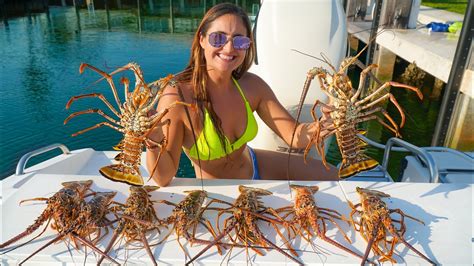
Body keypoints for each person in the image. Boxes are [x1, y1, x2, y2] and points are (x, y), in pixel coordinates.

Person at [146, 3, 338, 187]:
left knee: (339, 177)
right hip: (219, 190)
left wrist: (327, 122)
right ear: (201, 39)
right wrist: (153, 141)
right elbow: (163, 178)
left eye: (239, 40)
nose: (229, 48)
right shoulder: (177, 97)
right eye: (218, 38)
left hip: (255, 164)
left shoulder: (252, 86)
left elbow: (294, 136)